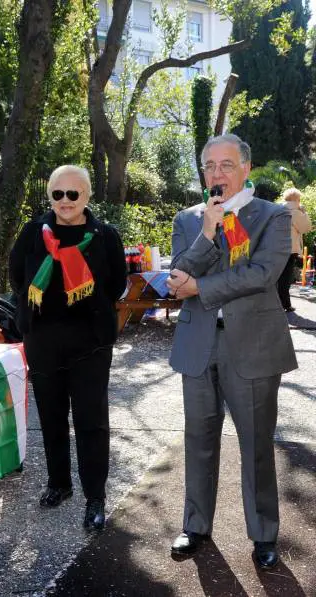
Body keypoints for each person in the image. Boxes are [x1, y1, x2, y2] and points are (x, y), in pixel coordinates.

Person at [165, 134, 297, 568]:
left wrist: (200, 287)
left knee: (256, 443)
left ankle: (263, 534)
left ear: (245, 168)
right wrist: (207, 231)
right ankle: (195, 526)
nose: (217, 173)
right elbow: (177, 275)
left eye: (226, 165)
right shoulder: (188, 219)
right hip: (198, 344)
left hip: (253, 345)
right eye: (210, 166)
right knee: (198, 439)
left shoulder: (273, 216)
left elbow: (261, 274)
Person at [9, 165, 127, 531]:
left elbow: (117, 285)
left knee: (91, 420)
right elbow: (17, 277)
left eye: (73, 194)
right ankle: (59, 483)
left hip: (90, 342)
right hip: (43, 340)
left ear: (87, 196)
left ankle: (95, 497)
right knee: (51, 416)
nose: (65, 201)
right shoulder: (33, 233)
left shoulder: (105, 236)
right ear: (50, 196)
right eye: (58, 194)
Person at [277, 187, 312, 312]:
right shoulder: (295, 212)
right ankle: (285, 305)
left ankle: (278, 304)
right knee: (286, 278)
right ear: (296, 199)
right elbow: (306, 227)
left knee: (278, 277)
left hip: (277, 248)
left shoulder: (278, 209)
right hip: (290, 249)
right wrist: (304, 213)